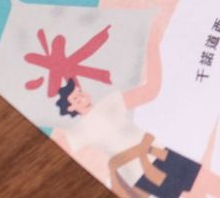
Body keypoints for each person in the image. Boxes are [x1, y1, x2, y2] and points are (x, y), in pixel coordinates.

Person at [56, 78, 201, 197]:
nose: (82, 97)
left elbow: (149, 90)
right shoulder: (80, 130)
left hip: (158, 152)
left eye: (80, 92)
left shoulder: (107, 104)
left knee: (203, 181)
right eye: (76, 98)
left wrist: (153, 51)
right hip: (139, 170)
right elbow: (60, 144)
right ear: (70, 108)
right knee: (189, 191)